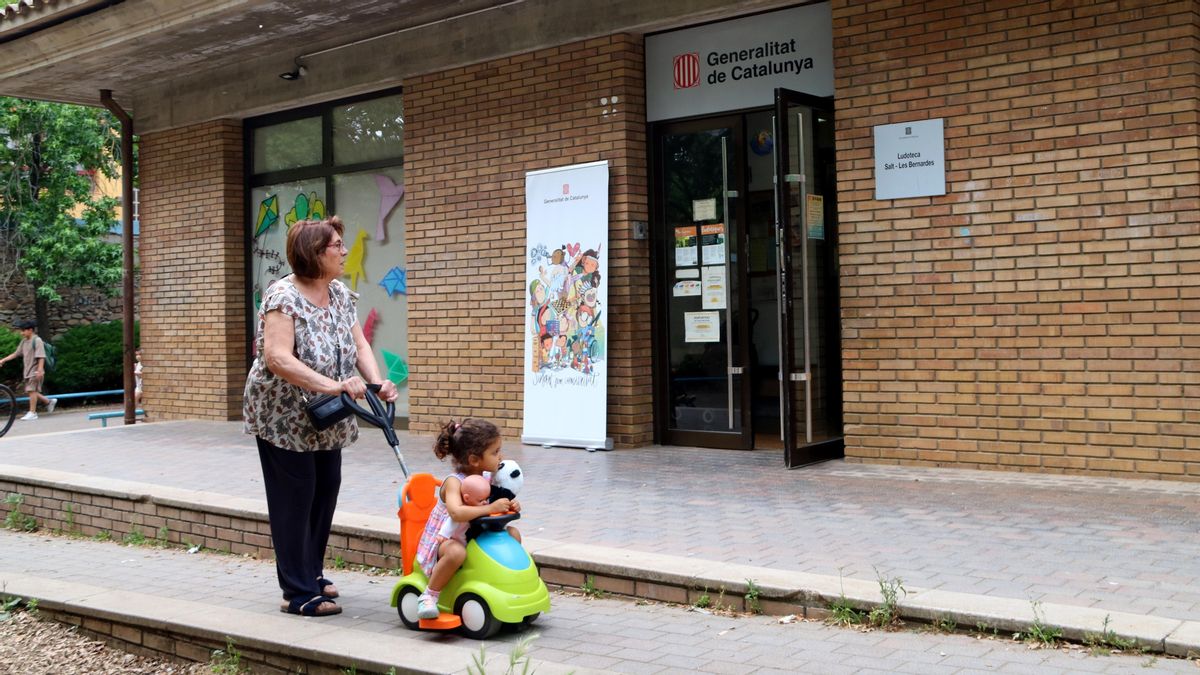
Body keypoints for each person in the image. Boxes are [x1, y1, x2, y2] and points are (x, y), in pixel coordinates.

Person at [242, 216, 398, 618]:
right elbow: (277, 358)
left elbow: (359, 343)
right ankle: (296, 591)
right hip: (283, 415)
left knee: (325, 487)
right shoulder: (283, 296)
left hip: (329, 413)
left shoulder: (339, 293)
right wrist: (335, 385)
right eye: (336, 246)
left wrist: (377, 382)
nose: (344, 251)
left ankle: (310, 572)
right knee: (295, 496)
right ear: (315, 253)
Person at [414, 418, 520, 619]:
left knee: (512, 535)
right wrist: (490, 507)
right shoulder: (454, 483)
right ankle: (429, 595)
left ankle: (501, 583)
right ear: (474, 460)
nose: (501, 457)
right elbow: (456, 513)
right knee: (456, 553)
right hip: (446, 540)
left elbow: (499, 502)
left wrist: (510, 505)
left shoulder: (489, 477)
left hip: (474, 535)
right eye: (495, 452)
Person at [0, 320, 57, 421]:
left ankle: (32, 413)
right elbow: (16, 353)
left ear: (30, 330)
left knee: (31, 390)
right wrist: (3, 360)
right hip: (27, 370)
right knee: (31, 391)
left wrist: (40, 370)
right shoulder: (24, 341)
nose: (21, 333)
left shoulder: (37, 340)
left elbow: (41, 356)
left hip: (35, 370)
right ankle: (48, 401)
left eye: (23, 330)